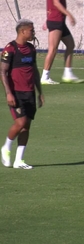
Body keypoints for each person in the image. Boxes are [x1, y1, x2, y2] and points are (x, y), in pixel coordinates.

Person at [0, 19, 45, 169]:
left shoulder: (31, 49)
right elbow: (3, 72)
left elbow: (35, 70)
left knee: (26, 127)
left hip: (29, 92)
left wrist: (40, 92)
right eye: (31, 30)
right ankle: (6, 147)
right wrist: (8, 93)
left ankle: (19, 160)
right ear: (23, 31)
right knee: (20, 123)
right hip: (16, 93)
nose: (33, 33)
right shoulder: (10, 49)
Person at [41, 0, 83, 85]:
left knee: (70, 44)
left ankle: (68, 74)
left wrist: (47, 19)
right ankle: (45, 76)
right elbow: (55, 2)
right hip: (56, 21)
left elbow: (50, 3)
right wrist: (69, 15)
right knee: (53, 49)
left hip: (58, 20)